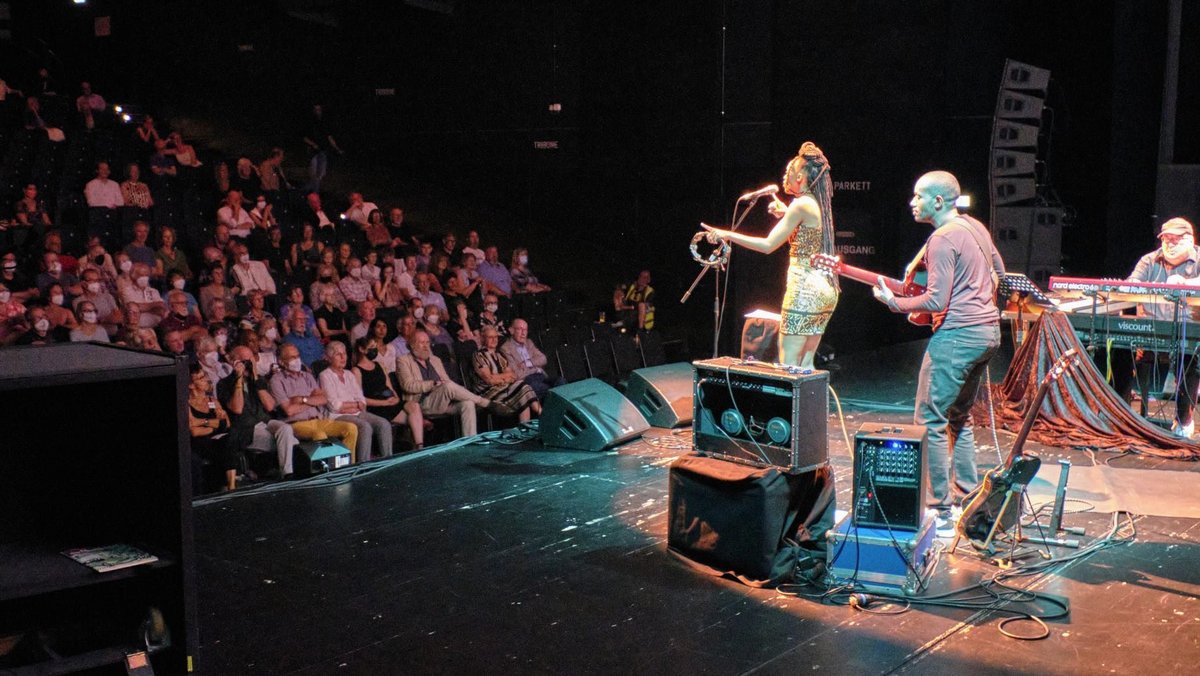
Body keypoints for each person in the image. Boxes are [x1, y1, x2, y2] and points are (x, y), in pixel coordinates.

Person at [870, 170, 1004, 535]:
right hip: (987, 335)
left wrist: (893, 302)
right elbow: (999, 273)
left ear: (939, 201)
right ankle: (966, 500)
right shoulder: (975, 227)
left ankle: (940, 512)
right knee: (959, 418)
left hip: (958, 337)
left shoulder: (942, 239)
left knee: (930, 418)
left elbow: (936, 299)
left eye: (918, 196)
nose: (912, 203)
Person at [703, 142, 837, 371]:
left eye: (791, 169)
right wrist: (786, 213)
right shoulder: (815, 203)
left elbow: (767, 245)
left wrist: (727, 234)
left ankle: (792, 408)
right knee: (806, 365)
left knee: (788, 365)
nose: (786, 173)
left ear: (801, 176)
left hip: (805, 291)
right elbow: (808, 235)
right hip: (824, 289)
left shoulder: (801, 204)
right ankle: (813, 407)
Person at [1108, 217, 1200, 437]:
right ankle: (1120, 417)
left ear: (1190, 240)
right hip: (1147, 333)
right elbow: (1133, 284)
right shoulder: (1149, 261)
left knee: (1191, 358)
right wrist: (1124, 287)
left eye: (1176, 239)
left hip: (1186, 334)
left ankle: (1183, 422)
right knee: (1119, 347)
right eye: (1166, 239)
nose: (1170, 243)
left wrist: (1186, 284)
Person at [397, 330, 503, 438]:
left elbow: (446, 380)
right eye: (422, 342)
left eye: (427, 342)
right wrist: (433, 384)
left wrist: (449, 389)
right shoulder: (403, 360)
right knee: (448, 385)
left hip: (442, 402)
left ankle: (470, 440)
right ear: (413, 344)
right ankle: (484, 402)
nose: (426, 346)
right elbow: (408, 385)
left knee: (467, 403)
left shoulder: (435, 360)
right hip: (421, 404)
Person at [269, 343, 360, 461]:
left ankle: (346, 466)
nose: (297, 360)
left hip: (317, 420)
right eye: (292, 357)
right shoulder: (276, 381)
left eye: (298, 356)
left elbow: (323, 399)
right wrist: (312, 400)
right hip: (296, 424)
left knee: (350, 428)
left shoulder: (307, 376)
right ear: (281, 362)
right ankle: (328, 471)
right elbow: (289, 411)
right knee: (319, 434)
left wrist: (302, 400)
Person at [318, 341, 392, 462]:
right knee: (365, 426)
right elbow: (334, 406)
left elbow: (362, 400)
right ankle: (364, 464)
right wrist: (355, 405)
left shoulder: (349, 374)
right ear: (330, 358)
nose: (343, 357)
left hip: (357, 413)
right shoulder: (325, 375)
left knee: (384, 423)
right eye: (338, 354)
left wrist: (354, 405)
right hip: (337, 416)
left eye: (344, 353)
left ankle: (387, 462)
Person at [352, 337, 427, 450]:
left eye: (375, 347)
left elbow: (389, 386)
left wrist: (396, 397)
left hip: (390, 401)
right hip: (377, 406)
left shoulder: (379, 365)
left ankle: (419, 445)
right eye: (371, 348)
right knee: (415, 420)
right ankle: (418, 439)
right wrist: (384, 403)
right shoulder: (356, 370)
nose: (374, 350)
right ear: (362, 349)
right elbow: (361, 399)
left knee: (414, 406)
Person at [472, 326, 541, 422]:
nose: (494, 340)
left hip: (504, 389)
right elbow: (489, 380)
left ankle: (525, 429)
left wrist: (499, 378)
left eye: (496, 337)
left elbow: (513, 376)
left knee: (522, 390)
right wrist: (504, 377)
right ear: (483, 338)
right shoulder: (479, 355)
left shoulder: (500, 355)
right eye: (490, 337)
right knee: (523, 388)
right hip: (488, 393)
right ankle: (541, 415)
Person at [499, 318, 562, 400]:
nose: (523, 333)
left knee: (561, 381)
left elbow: (543, 359)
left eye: (525, 330)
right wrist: (535, 369)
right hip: (526, 381)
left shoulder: (528, 342)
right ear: (511, 330)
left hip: (541, 376)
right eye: (520, 329)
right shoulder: (506, 348)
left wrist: (527, 363)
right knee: (548, 390)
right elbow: (516, 374)